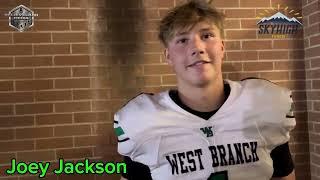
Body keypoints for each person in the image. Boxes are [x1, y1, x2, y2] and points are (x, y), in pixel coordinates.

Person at [113, 0, 296, 179]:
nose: (197, 48)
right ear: (168, 56)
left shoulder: (262, 105)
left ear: (222, 47)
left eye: (207, 36)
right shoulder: (144, 121)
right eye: (183, 40)